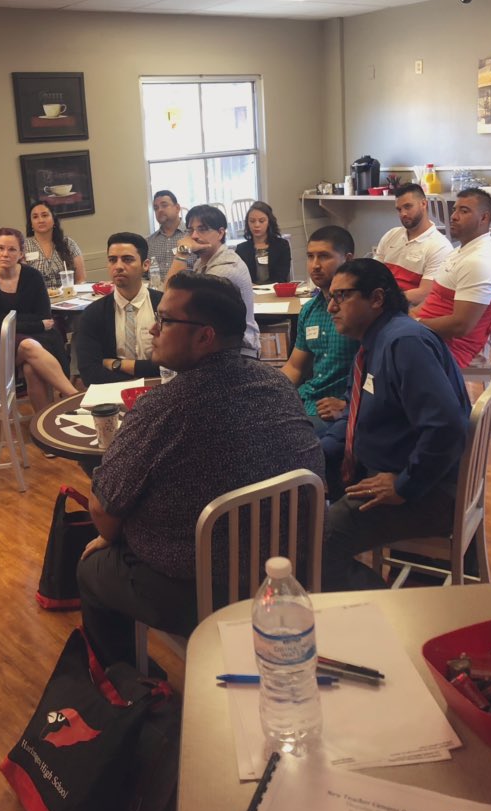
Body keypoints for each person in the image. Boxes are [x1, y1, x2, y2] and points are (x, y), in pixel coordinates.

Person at [77, 271, 324, 668]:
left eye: (167, 321)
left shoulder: (164, 408)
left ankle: (126, 690)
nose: (154, 329)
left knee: (92, 567)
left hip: (201, 592)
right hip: (288, 572)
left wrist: (115, 536)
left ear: (205, 336)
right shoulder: (276, 384)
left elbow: (104, 512)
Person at [320, 259, 470, 592]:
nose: (331, 306)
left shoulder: (404, 342)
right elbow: (351, 411)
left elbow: (447, 427)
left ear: (376, 298)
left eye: (341, 296)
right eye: (331, 296)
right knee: (313, 495)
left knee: (314, 545)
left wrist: (405, 485)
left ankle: (388, 614)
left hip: (426, 489)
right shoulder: (376, 340)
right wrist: (316, 451)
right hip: (390, 471)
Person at [0, 228, 77, 419]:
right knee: (29, 345)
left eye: (12, 249)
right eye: (0, 248)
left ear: (21, 254)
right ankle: (74, 397)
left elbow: (44, 315)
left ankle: (46, 427)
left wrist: (15, 319)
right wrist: (34, 323)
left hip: (41, 338)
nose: (5, 254)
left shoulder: (33, 276)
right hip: (4, 343)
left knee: (31, 370)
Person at [414, 189, 491, 367]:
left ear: (484, 218)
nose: (454, 217)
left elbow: (460, 326)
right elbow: (433, 298)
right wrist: (408, 317)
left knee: (379, 349)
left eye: (464, 211)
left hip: (448, 348)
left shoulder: (480, 262)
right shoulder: (460, 251)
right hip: (427, 335)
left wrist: (415, 324)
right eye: (454, 210)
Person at [281, 226, 358, 434]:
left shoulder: (360, 311)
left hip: (338, 410)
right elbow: (295, 368)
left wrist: (349, 405)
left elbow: (380, 379)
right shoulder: (309, 310)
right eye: (310, 256)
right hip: (307, 400)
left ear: (348, 259)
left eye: (324, 256)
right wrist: (268, 389)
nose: (315, 265)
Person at [167, 204, 260, 357]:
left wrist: (182, 253)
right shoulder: (201, 261)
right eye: (191, 230)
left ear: (220, 233)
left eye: (202, 229)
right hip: (215, 345)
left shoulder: (225, 269)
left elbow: (170, 298)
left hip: (237, 353)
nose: (194, 236)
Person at [75, 232, 162, 386]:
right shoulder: (93, 314)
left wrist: (119, 365)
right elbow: (90, 373)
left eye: (127, 259)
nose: (119, 266)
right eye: (112, 260)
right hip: (113, 394)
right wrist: (136, 381)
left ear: (145, 265)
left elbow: (176, 364)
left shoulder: (163, 306)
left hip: (161, 388)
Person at [373, 183, 453, 305]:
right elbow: (373, 274)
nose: (403, 214)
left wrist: (385, 299)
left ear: (424, 204)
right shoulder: (391, 235)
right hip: (380, 303)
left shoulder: (440, 246)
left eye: (408, 207)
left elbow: (425, 293)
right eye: (399, 209)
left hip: (405, 310)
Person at [23, 201, 86, 289]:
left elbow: (81, 279)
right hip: (38, 300)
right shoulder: (24, 247)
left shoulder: (68, 243)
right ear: (31, 223)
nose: (40, 220)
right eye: (35, 217)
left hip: (68, 298)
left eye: (44, 215)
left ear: (53, 220)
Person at [234, 200, 291, 284]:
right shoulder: (241, 249)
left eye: (261, 221)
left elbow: (281, 277)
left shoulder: (282, 245)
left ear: (269, 222)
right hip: (251, 292)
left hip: (276, 292)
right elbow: (240, 278)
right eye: (252, 221)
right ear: (247, 223)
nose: (256, 225)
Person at [147, 189, 187, 281]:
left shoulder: (192, 236)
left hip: (187, 292)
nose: (160, 210)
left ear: (177, 208)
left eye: (164, 205)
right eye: (156, 208)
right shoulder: (150, 241)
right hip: (156, 292)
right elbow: (145, 274)